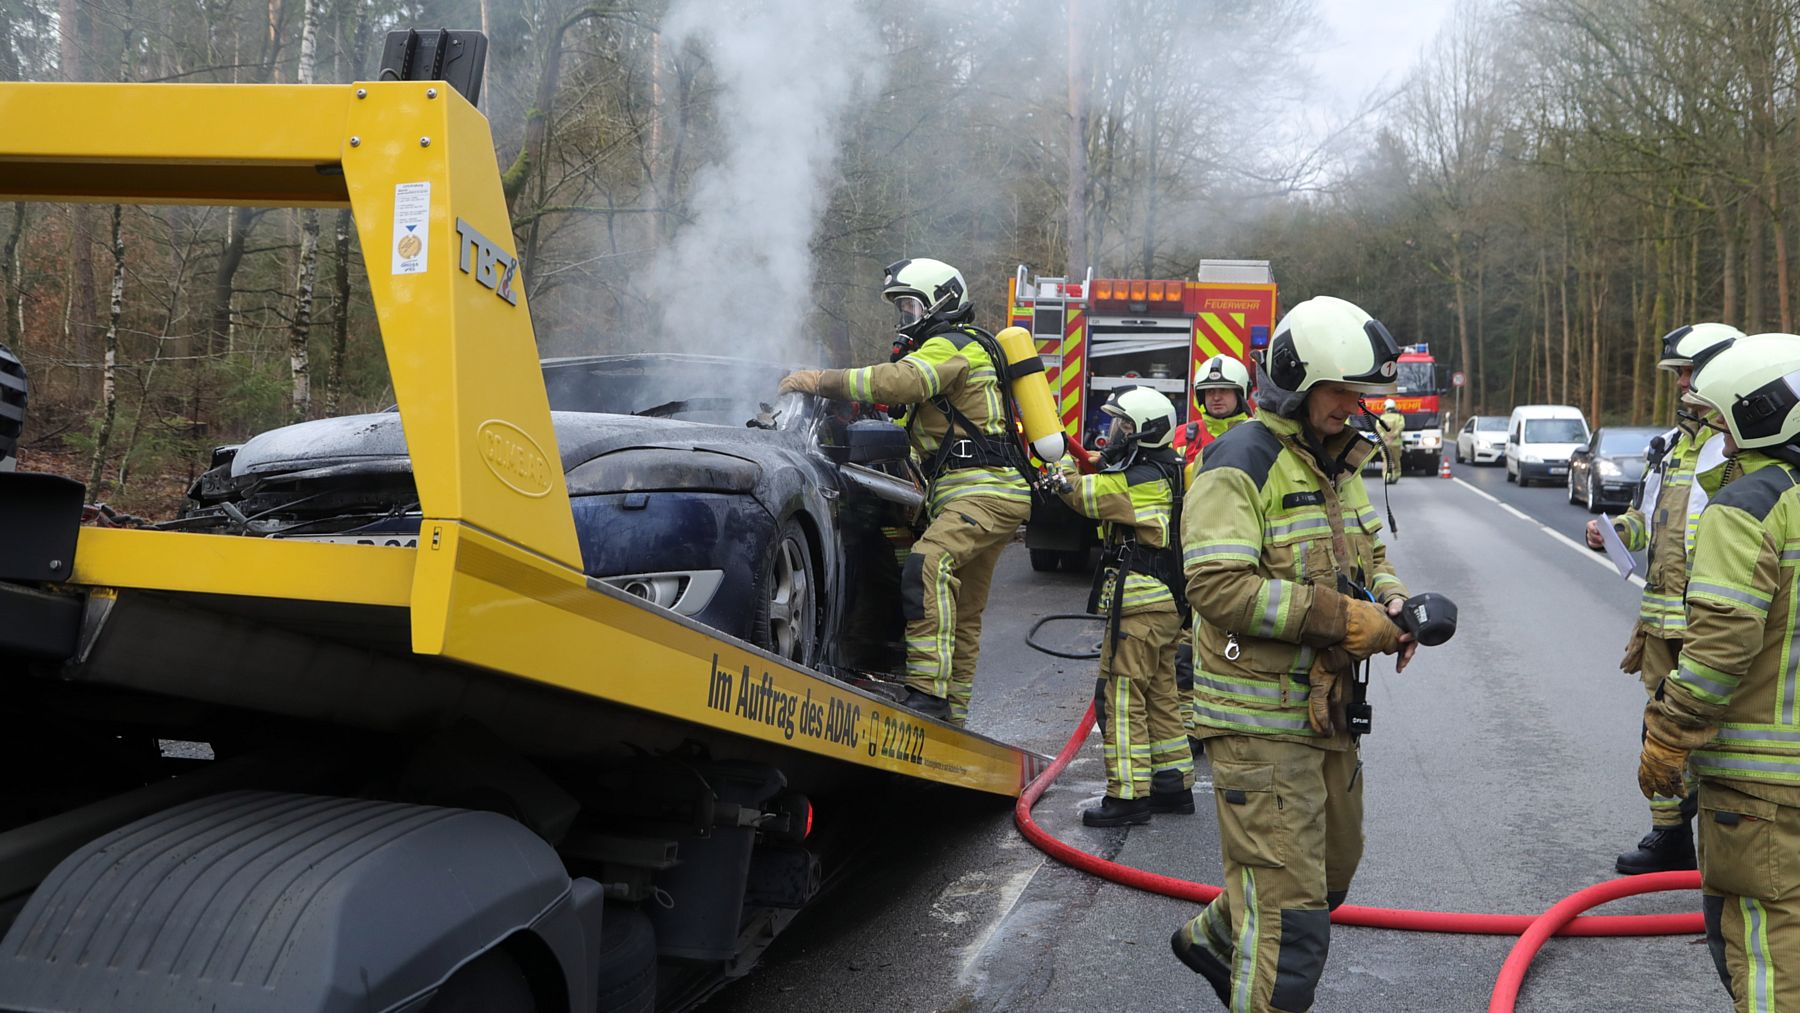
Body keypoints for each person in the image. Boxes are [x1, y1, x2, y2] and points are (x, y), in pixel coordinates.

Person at [1170, 295, 1415, 1012]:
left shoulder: (1340, 461)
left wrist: (1395, 606)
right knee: (1291, 927)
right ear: (1297, 381)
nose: (1355, 406)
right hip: (1259, 725)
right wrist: (1342, 619)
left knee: (1331, 874)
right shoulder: (1240, 462)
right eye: (1341, 391)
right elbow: (1215, 585)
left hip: (1324, 714)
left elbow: (1369, 555)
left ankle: (1216, 938)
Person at [778, 258, 1031, 726]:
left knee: (927, 565)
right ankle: (953, 717)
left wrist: (820, 380)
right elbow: (907, 413)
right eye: (901, 309)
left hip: (982, 491)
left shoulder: (952, 344)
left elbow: (900, 382)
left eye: (910, 307)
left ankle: (928, 694)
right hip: (986, 492)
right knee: (964, 610)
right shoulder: (955, 352)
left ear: (941, 303)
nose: (904, 319)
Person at [1638, 331, 1800, 1011]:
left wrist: (1668, 733)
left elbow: (1720, 648)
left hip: (1763, 788)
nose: (1722, 443)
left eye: (1727, 423)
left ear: (1761, 413)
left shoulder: (1750, 505)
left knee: (1765, 949)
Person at [1586, 322, 1744, 874]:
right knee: (1659, 728)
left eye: (1687, 373)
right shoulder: (1674, 446)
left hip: (1713, 622)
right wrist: (1615, 532)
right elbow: (1649, 519)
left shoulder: (1739, 450)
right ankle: (1670, 837)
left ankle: (1729, 844)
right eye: (1678, 374)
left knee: (1718, 735)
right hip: (1661, 625)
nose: (1679, 385)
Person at [1052, 385, 1192, 826]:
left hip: (1140, 605)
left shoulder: (1139, 480)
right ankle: (1172, 784)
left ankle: (1128, 797)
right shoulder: (1168, 467)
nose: (1114, 433)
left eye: (1123, 426)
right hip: (1165, 604)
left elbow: (1083, 495)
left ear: (1144, 432)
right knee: (1160, 694)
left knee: (1122, 696)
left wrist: (1058, 464)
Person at [1178, 354, 1255, 483]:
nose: (1216, 397)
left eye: (1224, 390)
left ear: (1240, 394)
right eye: (1210, 391)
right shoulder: (1181, 436)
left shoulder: (1257, 435)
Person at [1378, 397, 1405, 484]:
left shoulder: (1382, 417)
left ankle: (1387, 477)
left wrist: (1385, 437)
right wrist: (1393, 436)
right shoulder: (1399, 417)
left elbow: (1378, 428)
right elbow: (1401, 426)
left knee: (1386, 460)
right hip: (1396, 443)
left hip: (1385, 443)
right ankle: (1395, 476)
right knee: (1396, 461)